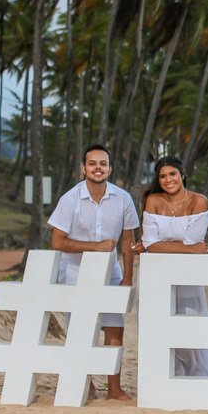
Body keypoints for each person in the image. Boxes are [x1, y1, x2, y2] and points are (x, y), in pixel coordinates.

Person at [48, 144, 139, 401]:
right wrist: (95, 247)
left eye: (102, 163)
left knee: (115, 328)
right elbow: (57, 241)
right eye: (92, 163)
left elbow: (127, 240)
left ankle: (114, 388)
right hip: (74, 271)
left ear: (109, 169)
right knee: (80, 329)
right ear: (83, 169)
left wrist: (128, 277)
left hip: (110, 271)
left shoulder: (123, 198)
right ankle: (86, 385)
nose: (97, 168)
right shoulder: (70, 199)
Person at [136, 155, 208, 377]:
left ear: (183, 174)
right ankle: (159, 377)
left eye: (172, 174)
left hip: (186, 274)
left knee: (190, 324)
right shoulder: (152, 200)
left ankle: (196, 378)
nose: (168, 179)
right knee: (155, 327)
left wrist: (166, 246)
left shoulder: (199, 201)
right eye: (162, 176)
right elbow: (150, 244)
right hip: (155, 274)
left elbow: (194, 240)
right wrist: (188, 249)